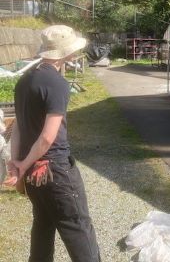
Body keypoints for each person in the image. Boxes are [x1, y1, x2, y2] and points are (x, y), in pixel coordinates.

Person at [4, 25, 101, 262]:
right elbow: (48, 137)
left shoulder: (24, 81)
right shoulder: (57, 84)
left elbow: (17, 126)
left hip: (35, 176)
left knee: (43, 227)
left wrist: (17, 163)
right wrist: (23, 164)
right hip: (55, 171)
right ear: (66, 53)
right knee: (78, 228)